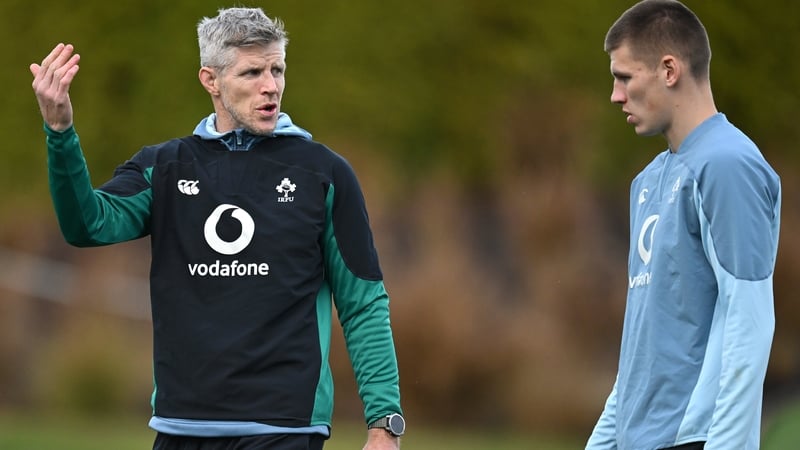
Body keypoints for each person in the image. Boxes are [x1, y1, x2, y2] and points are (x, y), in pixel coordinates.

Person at [30, 7, 404, 450]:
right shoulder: (163, 167)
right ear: (211, 80)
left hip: (283, 427)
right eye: (252, 72)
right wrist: (60, 132)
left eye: (277, 69)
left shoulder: (324, 173)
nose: (271, 86)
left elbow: (363, 301)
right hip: (181, 425)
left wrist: (384, 422)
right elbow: (87, 224)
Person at [586, 1, 780, 449]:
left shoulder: (729, 166)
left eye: (624, 76)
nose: (615, 95)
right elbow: (642, 344)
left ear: (669, 70)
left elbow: (748, 323)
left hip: (694, 440)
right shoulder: (649, 181)